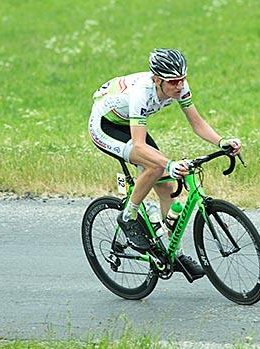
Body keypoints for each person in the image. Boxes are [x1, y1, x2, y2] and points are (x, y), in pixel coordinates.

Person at [89, 48, 241, 277]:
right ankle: (128, 215)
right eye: (173, 82)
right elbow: (139, 146)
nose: (179, 86)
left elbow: (197, 123)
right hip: (106, 127)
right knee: (156, 166)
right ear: (157, 80)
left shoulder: (179, 86)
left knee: (167, 188)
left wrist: (221, 141)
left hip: (129, 124)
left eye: (182, 80)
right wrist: (169, 164)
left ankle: (173, 253)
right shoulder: (142, 92)